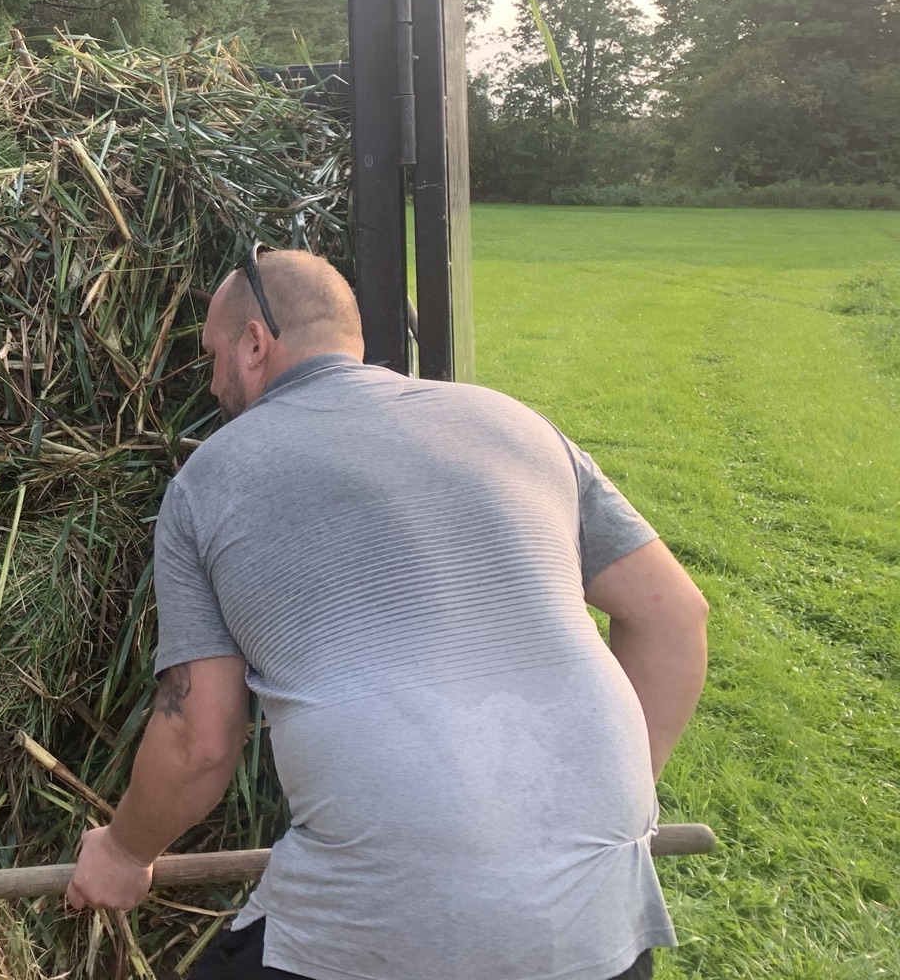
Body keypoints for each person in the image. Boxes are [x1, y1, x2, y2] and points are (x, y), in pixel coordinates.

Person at [65, 248, 710, 980]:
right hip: (598, 920)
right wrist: (594, 815)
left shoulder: (210, 481)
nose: (211, 380)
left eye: (212, 355)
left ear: (253, 344)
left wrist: (123, 854)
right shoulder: (516, 425)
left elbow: (200, 740)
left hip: (380, 925)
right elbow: (674, 617)